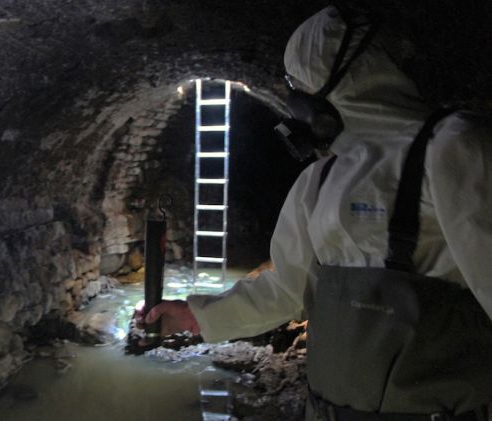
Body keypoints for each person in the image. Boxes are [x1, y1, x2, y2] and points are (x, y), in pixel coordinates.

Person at [139, 6, 492, 420]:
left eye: (298, 88)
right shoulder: (319, 180)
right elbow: (285, 291)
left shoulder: (455, 149)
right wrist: (193, 315)